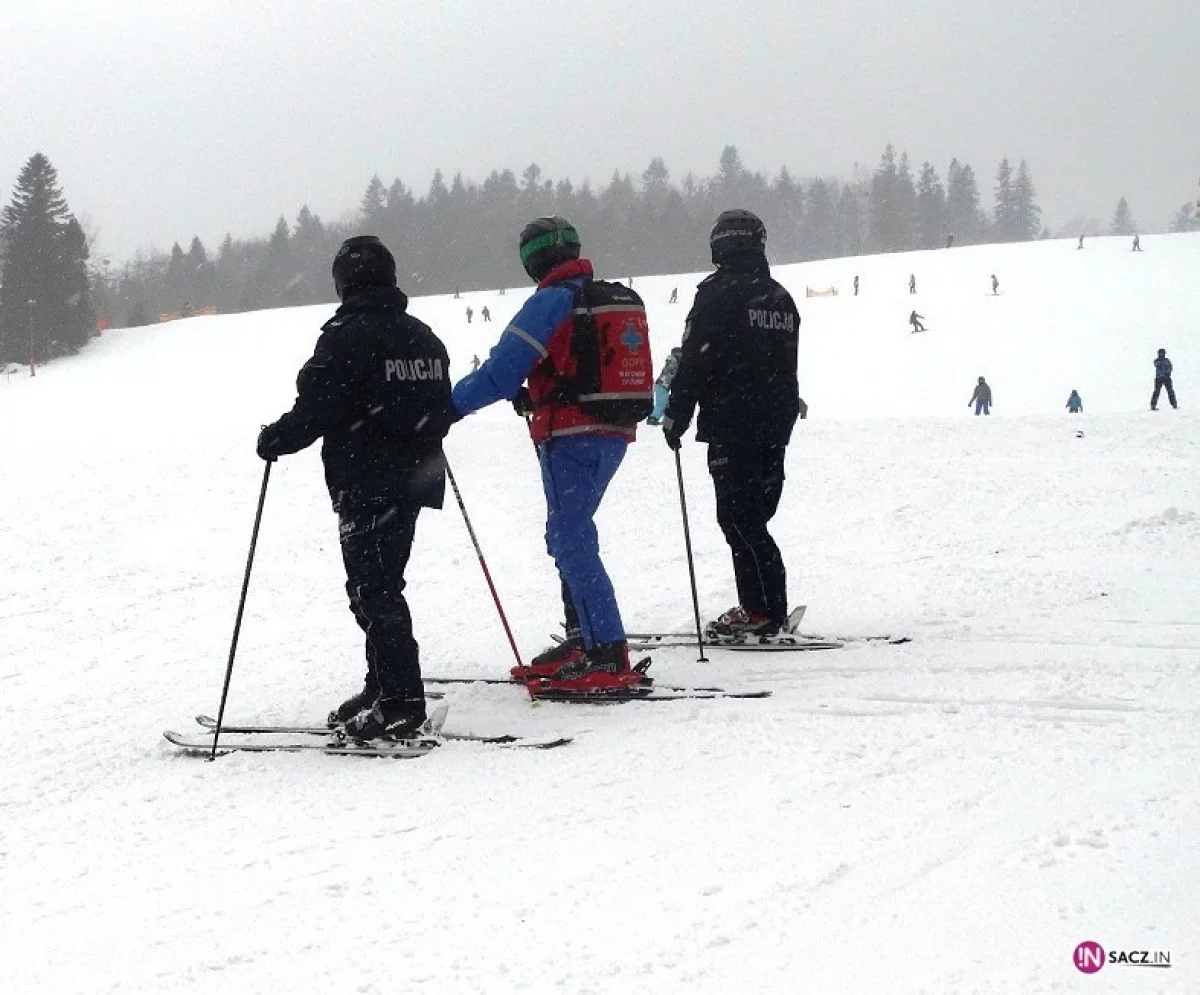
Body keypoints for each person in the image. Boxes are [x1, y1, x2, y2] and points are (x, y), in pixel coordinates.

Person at [255, 235, 457, 740]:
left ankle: (401, 702)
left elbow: (319, 405)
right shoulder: (423, 335)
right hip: (415, 477)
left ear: (344, 282)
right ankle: (382, 686)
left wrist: (277, 437)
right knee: (377, 585)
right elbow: (441, 408)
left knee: (375, 590)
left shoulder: (347, 335)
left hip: (369, 479)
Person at [451, 216, 643, 693]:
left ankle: (605, 651)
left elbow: (499, 373)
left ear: (532, 260)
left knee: (570, 535)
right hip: (612, 430)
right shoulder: (600, 298)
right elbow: (573, 365)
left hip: (570, 435)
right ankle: (584, 640)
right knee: (569, 532)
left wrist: (444, 407)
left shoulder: (552, 302)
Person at [663, 209, 801, 637]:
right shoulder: (778, 297)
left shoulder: (718, 294)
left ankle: (763, 609)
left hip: (733, 421)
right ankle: (762, 604)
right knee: (754, 516)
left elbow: (696, 360)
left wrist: (677, 416)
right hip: (774, 424)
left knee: (740, 520)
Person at [648, 346, 682, 425]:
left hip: (662, 385)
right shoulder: (673, 362)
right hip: (662, 385)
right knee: (662, 403)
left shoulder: (672, 361)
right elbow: (672, 373)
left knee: (666, 403)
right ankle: (653, 417)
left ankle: (667, 421)